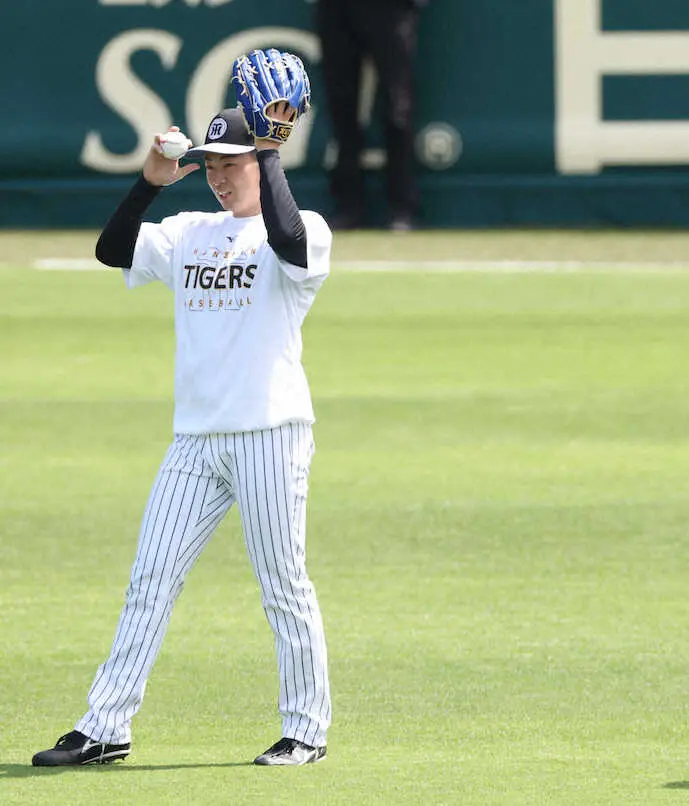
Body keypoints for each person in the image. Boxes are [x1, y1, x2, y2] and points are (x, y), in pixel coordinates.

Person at [32, 97, 333, 767]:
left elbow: (288, 241)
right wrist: (148, 183)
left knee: (283, 585)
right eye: (211, 165)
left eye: (231, 164)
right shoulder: (190, 230)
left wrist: (270, 151)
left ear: (260, 160)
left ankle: (306, 731)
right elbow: (112, 250)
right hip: (195, 441)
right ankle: (105, 726)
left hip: (270, 433)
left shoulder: (303, 228)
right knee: (150, 580)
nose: (218, 177)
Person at [314, 0, 428, 231]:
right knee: (341, 104)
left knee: (397, 107)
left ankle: (402, 207)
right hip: (336, 7)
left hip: (390, 8)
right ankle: (348, 207)